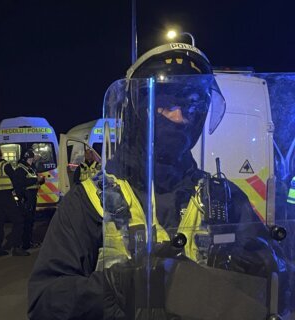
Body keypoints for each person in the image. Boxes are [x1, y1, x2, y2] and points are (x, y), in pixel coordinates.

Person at [28, 44, 293, 319]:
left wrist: (269, 270)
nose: (180, 118)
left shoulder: (224, 199)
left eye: (192, 106)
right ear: (137, 110)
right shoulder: (91, 201)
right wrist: (117, 286)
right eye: (166, 103)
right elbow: (44, 302)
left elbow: (280, 293)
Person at [0, 147, 30, 257]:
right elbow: (15, 181)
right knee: (18, 221)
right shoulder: (5, 165)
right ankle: (16, 247)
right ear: (1, 154)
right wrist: (20, 196)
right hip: (6, 197)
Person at [13, 149, 45, 250]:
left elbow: (33, 181)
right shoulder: (20, 169)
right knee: (26, 222)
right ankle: (25, 244)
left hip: (31, 197)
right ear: (26, 158)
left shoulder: (29, 168)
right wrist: (36, 179)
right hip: (26, 198)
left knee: (30, 221)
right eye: (31, 159)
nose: (32, 161)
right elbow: (22, 182)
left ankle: (29, 242)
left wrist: (41, 181)